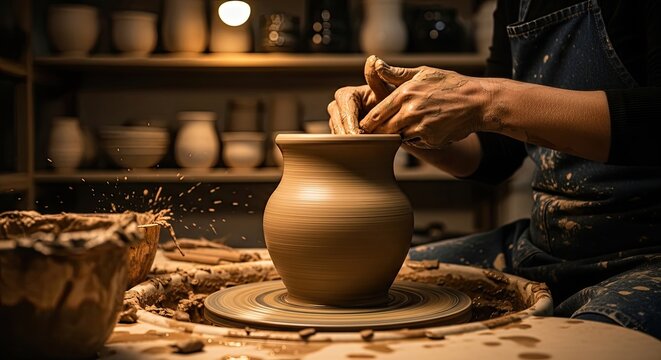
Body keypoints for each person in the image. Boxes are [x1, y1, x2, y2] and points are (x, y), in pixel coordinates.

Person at [328, 0, 660, 338]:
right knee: (360, 282)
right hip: (545, 245)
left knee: (583, 345)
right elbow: (496, 154)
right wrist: (402, 118)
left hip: (648, 254)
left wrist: (487, 99)